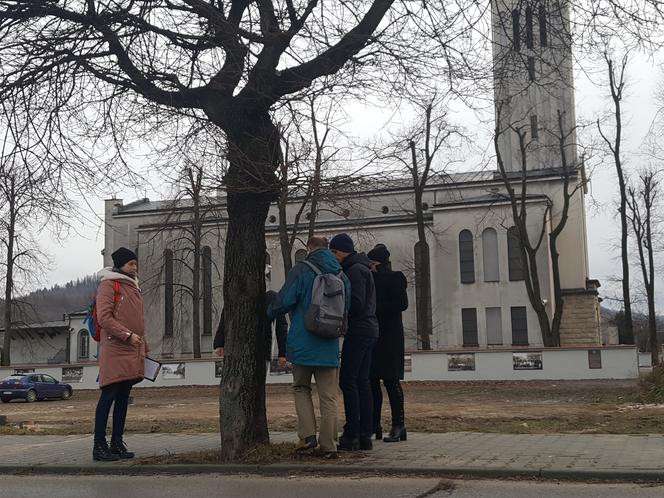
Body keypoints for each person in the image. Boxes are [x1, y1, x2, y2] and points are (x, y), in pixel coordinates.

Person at [268, 236, 350, 459]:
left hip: (303, 342)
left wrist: (267, 312)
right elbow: (346, 309)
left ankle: (307, 437)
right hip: (329, 344)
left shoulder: (301, 269)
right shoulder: (342, 275)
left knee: (301, 388)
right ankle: (329, 445)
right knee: (329, 397)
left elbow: (284, 301)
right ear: (328, 250)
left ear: (310, 248)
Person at [93, 247, 148, 461]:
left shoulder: (133, 287)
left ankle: (116, 443)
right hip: (116, 348)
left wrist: (145, 345)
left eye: (135, 264)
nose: (135, 268)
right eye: (131, 264)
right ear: (121, 265)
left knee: (124, 397)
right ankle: (99, 446)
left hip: (132, 346)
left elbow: (138, 321)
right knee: (108, 395)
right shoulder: (109, 285)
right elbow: (104, 318)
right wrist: (127, 335)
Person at [329, 233, 379, 451]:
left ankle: (353, 433)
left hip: (359, 330)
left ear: (341, 251)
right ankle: (365, 434)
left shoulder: (354, 270)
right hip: (369, 329)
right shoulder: (362, 267)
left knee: (348, 381)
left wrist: (340, 310)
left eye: (334, 252)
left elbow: (356, 303)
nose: (333, 257)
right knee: (362, 381)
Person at [367, 244, 409, 443]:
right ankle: (374, 424)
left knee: (391, 381)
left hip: (390, 336)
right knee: (372, 380)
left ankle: (398, 425)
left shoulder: (395, 278)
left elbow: (402, 304)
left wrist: (375, 309)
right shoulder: (371, 280)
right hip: (375, 336)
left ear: (377, 263)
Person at [213, 290, 288, 369]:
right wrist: (283, 353)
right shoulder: (270, 297)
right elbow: (281, 326)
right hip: (255, 350)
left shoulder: (239, 294)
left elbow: (226, 317)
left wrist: (219, 343)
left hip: (247, 349)